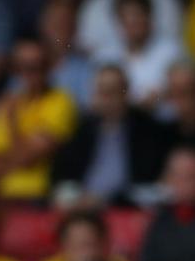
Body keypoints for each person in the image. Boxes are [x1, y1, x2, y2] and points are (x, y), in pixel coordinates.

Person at [52, 64, 170, 205]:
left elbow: (150, 183)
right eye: (102, 92)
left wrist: (110, 199)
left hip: (126, 209)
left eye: (112, 92)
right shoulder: (82, 129)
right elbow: (64, 175)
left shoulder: (147, 130)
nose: (107, 100)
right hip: (83, 206)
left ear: (126, 93)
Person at [0, 38, 76, 200]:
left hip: (34, 197)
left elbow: (25, 158)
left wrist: (12, 122)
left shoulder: (60, 102)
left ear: (49, 66)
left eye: (36, 67)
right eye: (20, 67)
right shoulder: (8, 101)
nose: (28, 74)